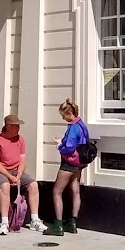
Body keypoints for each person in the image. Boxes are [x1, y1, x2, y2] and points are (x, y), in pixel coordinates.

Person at [0, 113, 45, 235]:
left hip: (16, 171)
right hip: (1, 171)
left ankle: (35, 220)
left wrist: (19, 175)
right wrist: (10, 177)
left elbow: (22, 160)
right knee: (5, 185)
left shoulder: (20, 139)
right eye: (15, 126)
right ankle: (4, 222)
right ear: (8, 126)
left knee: (33, 184)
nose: (18, 129)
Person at [43, 98, 89, 236]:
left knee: (57, 191)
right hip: (79, 163)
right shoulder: (82, 125)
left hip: (69, 163)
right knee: (75, 191)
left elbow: (69, 147)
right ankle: (72, 223)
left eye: (63, 115)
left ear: (69, 113)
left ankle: (58, 225)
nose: (63, 118)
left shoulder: (73, 127)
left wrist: (59, 145)